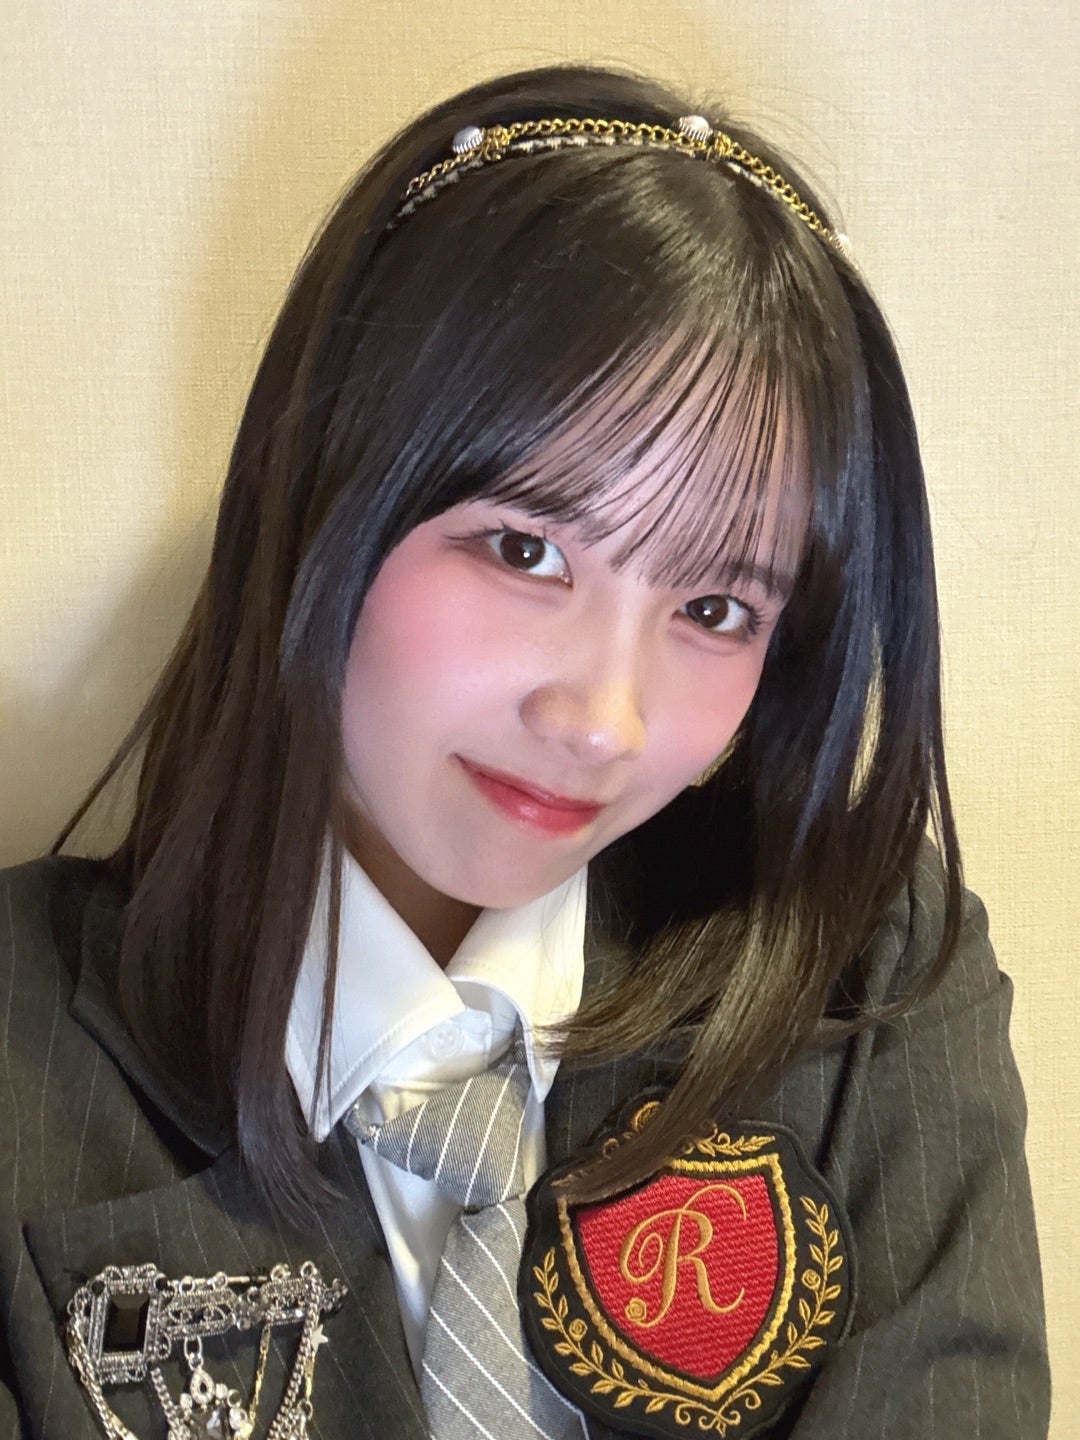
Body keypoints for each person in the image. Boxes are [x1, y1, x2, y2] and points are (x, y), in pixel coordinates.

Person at [0, 63, 1049, 1440]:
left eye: (715, 609)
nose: (603, 720)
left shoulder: (870, 976)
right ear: (313, 488)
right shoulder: (23, 1036)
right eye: (523, 548)